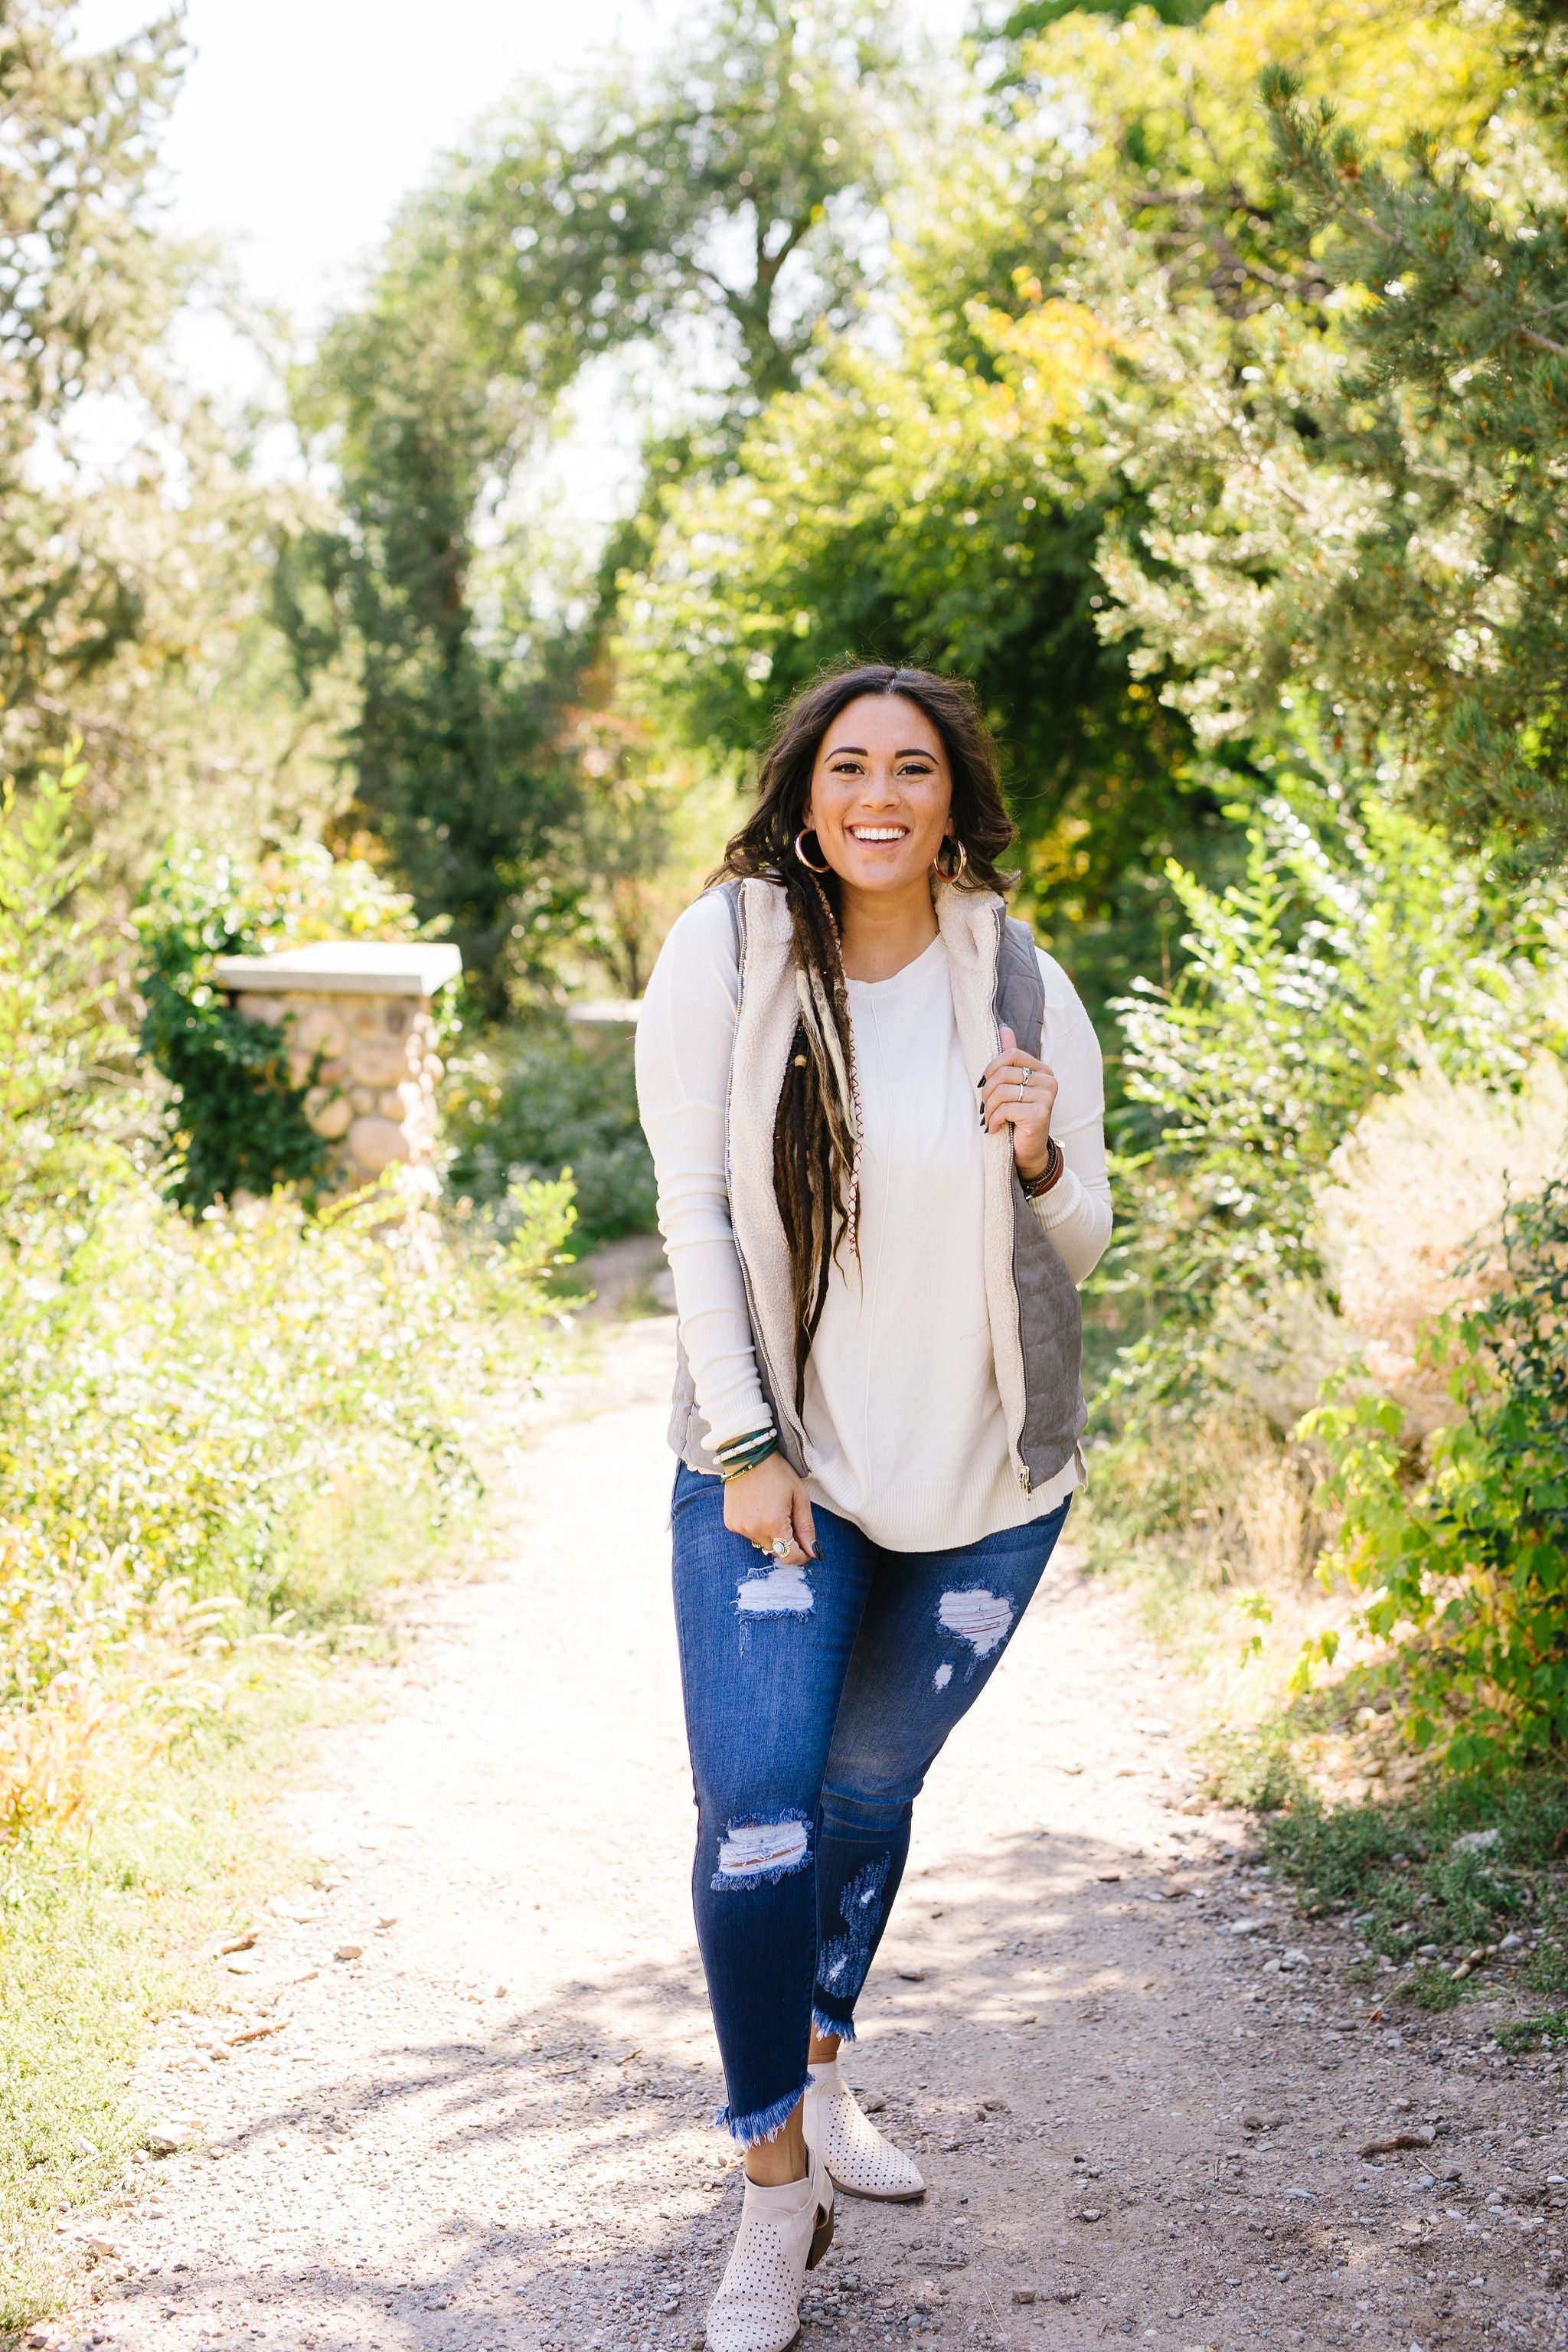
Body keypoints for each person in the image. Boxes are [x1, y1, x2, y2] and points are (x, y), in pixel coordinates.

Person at [635, 663, 1112, 2352]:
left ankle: (822, 2061)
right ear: (808, 789)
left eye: (913, 767)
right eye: (850, 765)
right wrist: (748, 1440)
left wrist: (1045, 1156)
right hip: (780, 1473)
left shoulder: (1019, 979)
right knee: (758, 1821)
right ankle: (774, 2196)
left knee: (858, 1793)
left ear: (952, 795)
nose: (880, 794)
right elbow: (692, 1205)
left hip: (983, 1483)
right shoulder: (735, 949)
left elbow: (1083, 1245)